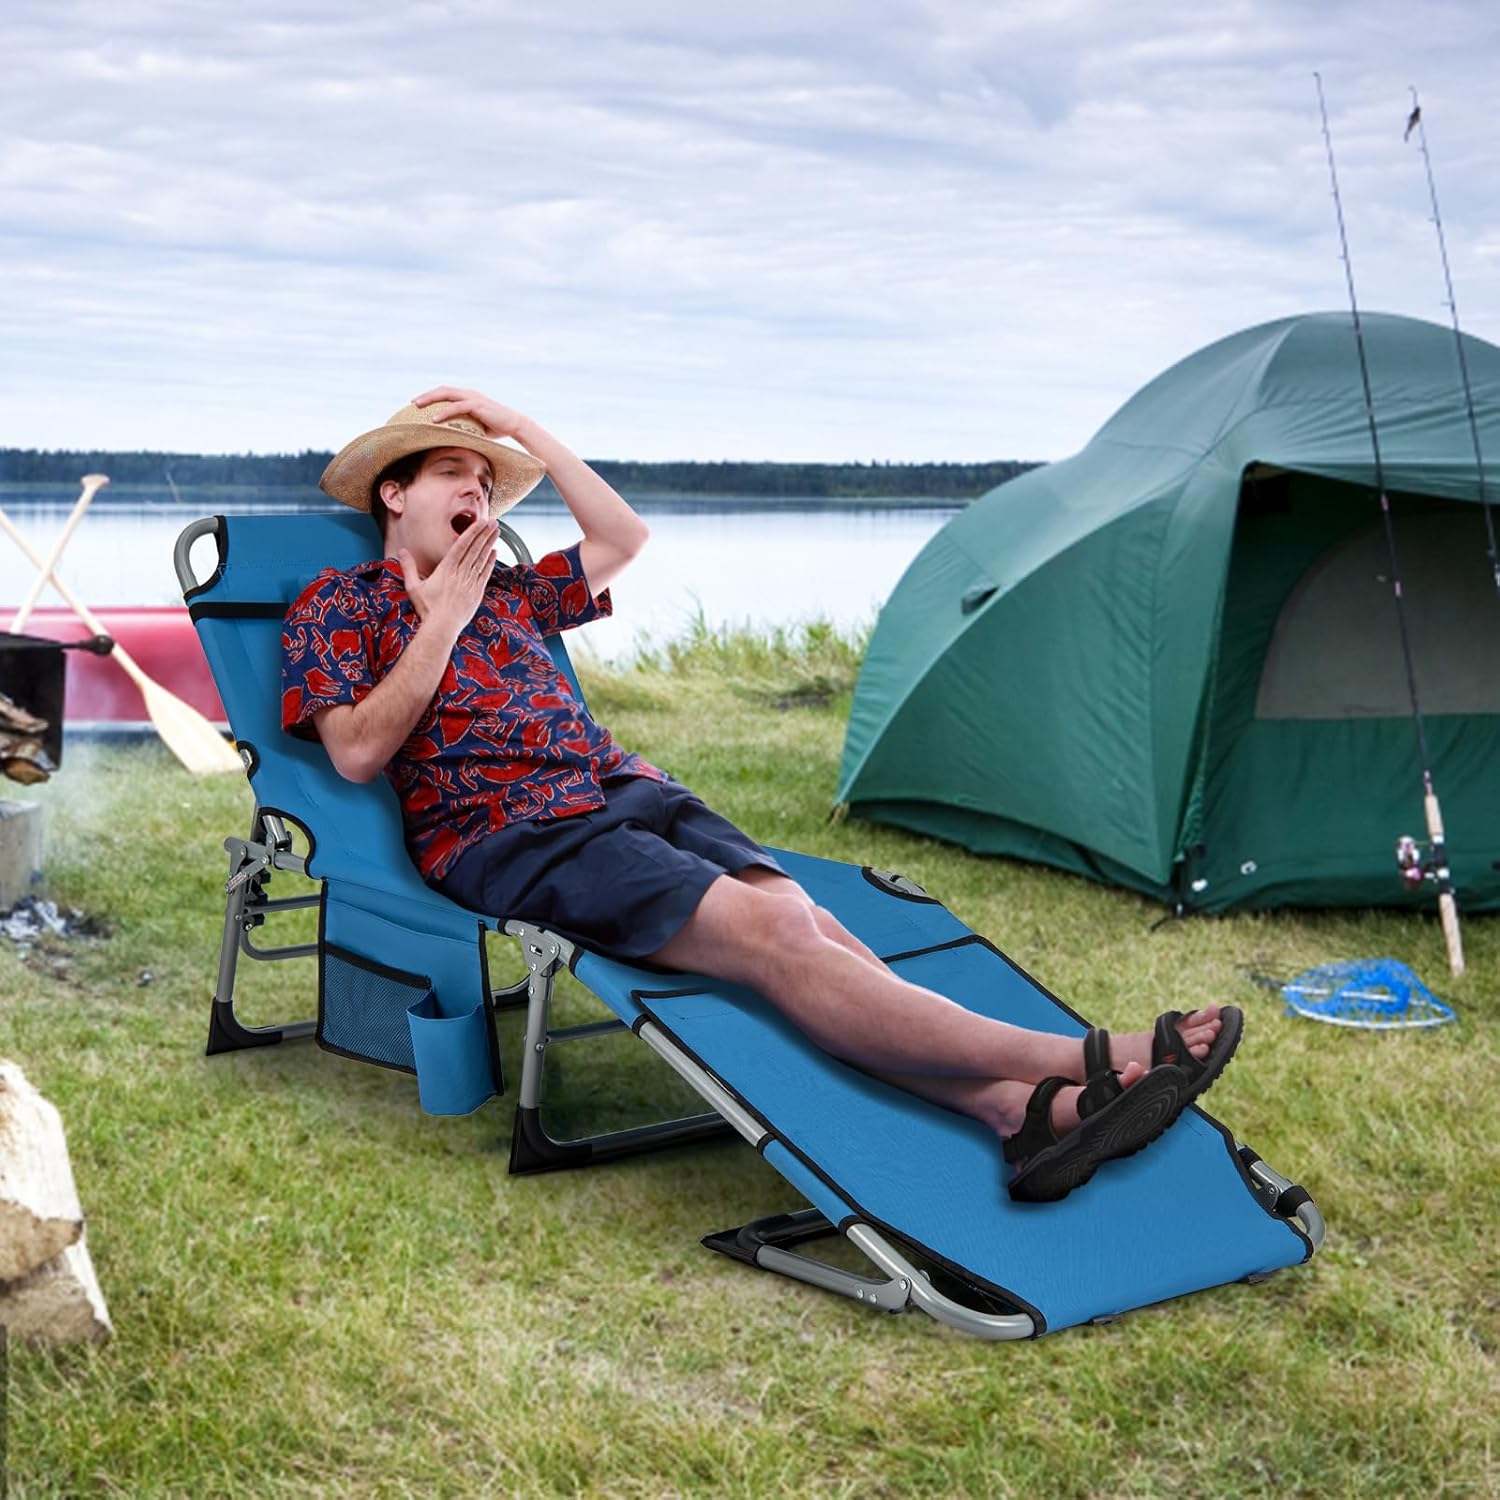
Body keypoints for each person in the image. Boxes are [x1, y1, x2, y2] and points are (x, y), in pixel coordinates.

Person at [281, 388, 1242, 1202]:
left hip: (623, 788)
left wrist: (516, 425)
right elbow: (359, 754)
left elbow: (624, 535)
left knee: (815, 928)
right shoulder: (339, 603)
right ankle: (1082, 1060)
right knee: (780, 942)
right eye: (459, 472)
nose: (480, 489)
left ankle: (1010, 1116)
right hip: (513, 831)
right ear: (395, 491)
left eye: (488, 480)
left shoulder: (512, 588)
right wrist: (438, 622)